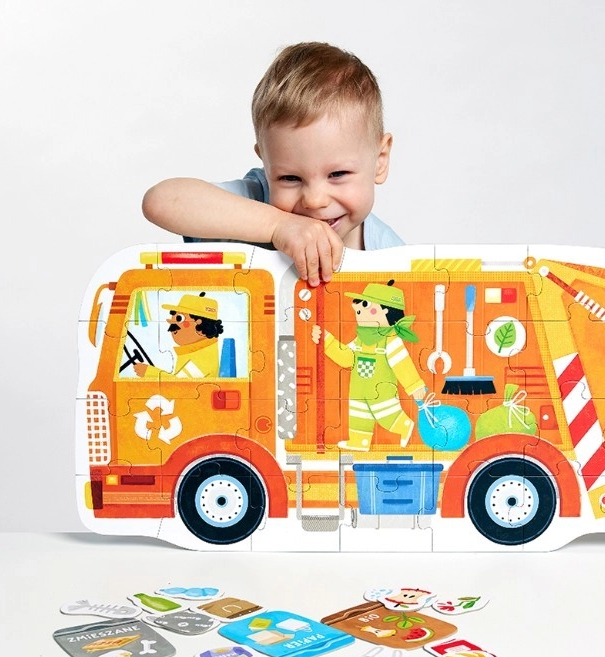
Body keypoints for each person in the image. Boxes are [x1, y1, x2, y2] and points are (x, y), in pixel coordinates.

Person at [142, 42, 402, 288]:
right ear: (266, 163)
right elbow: (161, 201)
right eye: (290, 178)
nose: (314, 200)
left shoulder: (394, 259)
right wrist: (278, 226)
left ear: (380, 161)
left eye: (337, 174)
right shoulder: (255, 202)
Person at [311, 280, 426, 452]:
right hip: (358, 391)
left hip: (382, 393)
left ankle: (404, 425)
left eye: (365, 307)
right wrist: (326, 340)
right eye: (358, 310)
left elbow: (402, 364)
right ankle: (359, 441)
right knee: (358, 416)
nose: (359, 313)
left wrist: (415, 386)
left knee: (386, 415)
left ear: (386, 311)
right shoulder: (360, 339)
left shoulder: (390, 340)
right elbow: (346, 358)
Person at [134, 292, 223, 379]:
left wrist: (149, 372)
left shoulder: (203, 357)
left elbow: (180, 385)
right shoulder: (196, 350)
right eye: (173, 317)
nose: (171, 323)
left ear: (201, 326)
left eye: (179, 318)